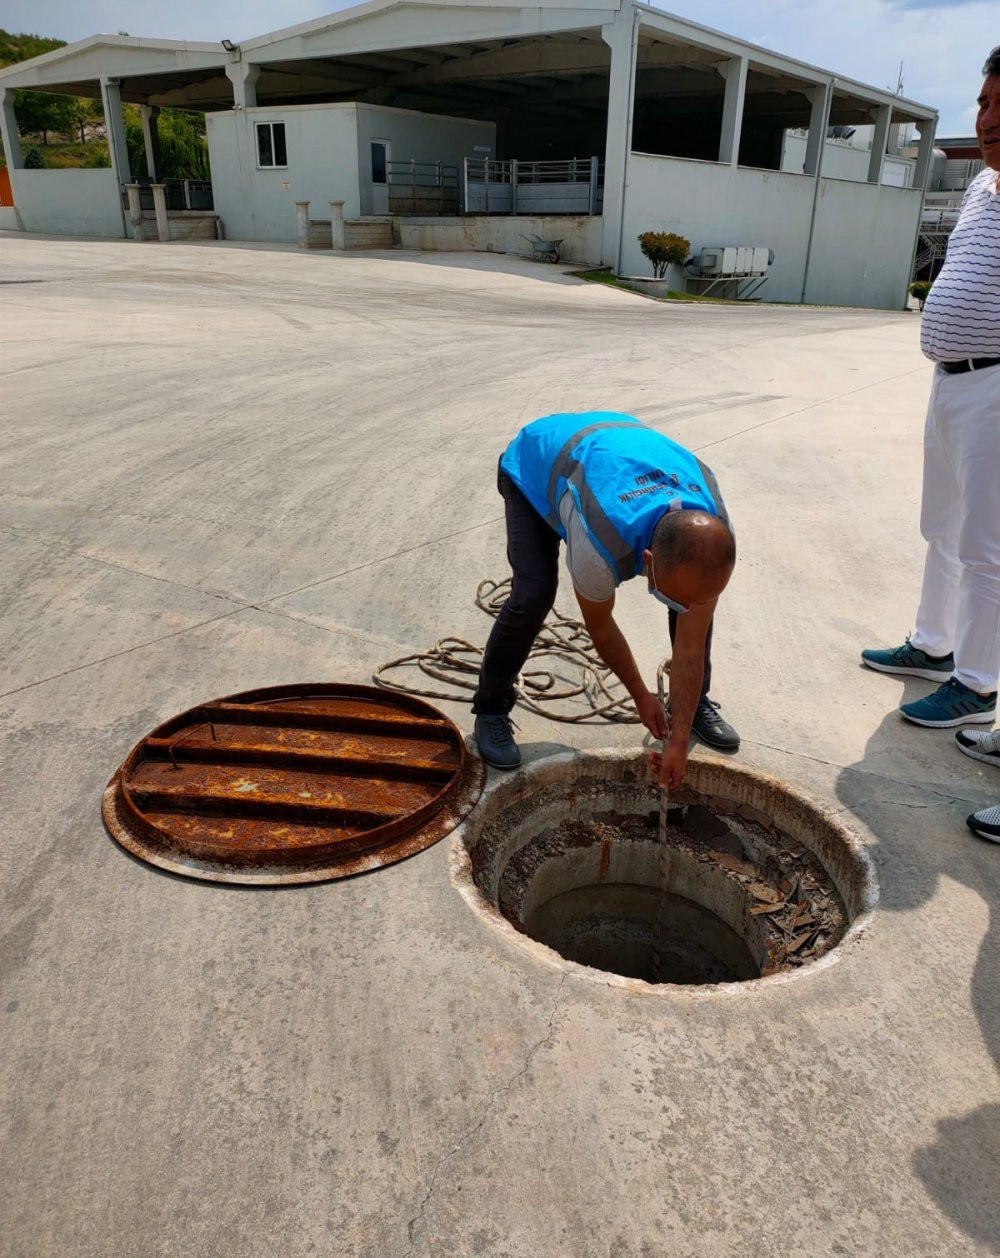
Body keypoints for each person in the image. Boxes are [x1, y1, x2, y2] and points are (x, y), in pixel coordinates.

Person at [471, 411, 738, 790]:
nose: (692, 609)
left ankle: (692, 710)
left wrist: (678, 741)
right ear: (647, 562)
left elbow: (690, 644)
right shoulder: (598, 544)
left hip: (616, 447)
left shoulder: (714, 533)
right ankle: (490, 707)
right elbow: (601, 626)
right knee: (534, 592)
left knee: (692, 600)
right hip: (537, 462)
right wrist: (641, 696)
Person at [862, 45, 1000, 736]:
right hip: (950, 381)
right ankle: (933, 645)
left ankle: (976, 684)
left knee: (985, 543)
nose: (988, 119)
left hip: (996, 386)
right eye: (984, 102)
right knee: (940, 525)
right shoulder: (982, 186)